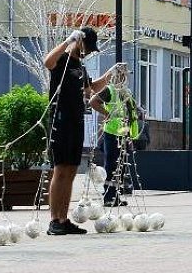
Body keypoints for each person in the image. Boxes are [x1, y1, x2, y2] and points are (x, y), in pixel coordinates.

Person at [43, 27, 103, 235]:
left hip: (77, 121)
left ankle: (63, 218)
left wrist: (110, 75)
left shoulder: (80, 66)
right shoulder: (62, 59)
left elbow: (90, 89)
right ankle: (54, 220)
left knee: (71, 170)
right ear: (79, 42)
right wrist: (67, 41)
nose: (88, 52)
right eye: (87, 47)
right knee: (60, 169)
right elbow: (47, 62)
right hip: (60, 119)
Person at [92, 62, 141, 207]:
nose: (125, 77)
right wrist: (106, 113)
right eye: (122, 74)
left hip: (124, 133)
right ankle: (108, 196)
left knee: (121, 166)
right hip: (112, 132)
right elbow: (94, 102)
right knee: (112, 164)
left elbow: (130, 111)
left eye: (125, 75)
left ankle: (116, 196)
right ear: (115, 75)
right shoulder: (109, 90)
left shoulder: (126, 92)